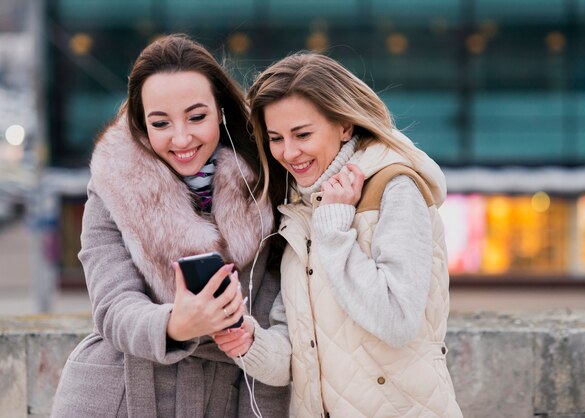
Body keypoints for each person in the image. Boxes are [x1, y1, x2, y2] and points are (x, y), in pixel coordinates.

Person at [51, 34, 290, 418]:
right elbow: (113, 307)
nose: (182, 138)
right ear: (142, 126)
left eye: (197, 117)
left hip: (230, 393)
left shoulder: (268, 180)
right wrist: (176, 324)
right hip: (122, 393)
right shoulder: (113, 187)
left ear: (221, 110)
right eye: (160, 123)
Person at [214, 52, 463, 417]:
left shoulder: (394, 188)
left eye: (302, 134)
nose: (289, 152)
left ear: (345, 126)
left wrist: (334, 229)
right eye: (276, 138)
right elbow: (298, 357)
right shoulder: (300, 207)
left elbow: (396, 321)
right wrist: (247, 342)